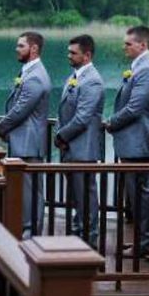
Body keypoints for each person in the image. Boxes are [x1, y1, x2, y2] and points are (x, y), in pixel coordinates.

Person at [104, 25, 149, 257]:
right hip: (133, 142)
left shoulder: (147, 69)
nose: (124, 47)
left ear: (143, 45)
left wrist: (112, 122)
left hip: (138, 143)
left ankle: (147, 244)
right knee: (137, 195)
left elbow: (135, 107)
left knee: (141, 196)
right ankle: (143, 241)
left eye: (128, 44)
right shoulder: (139, 67)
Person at [0, 31, 51, 238]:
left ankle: (31, 232)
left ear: (34, 48)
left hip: (29, 142)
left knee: (32, 192)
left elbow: (21, 110)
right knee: (27, 191)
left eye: (21, 46)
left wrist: (1, 127)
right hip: (23, 140)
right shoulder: (27, 71)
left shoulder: (36, 75)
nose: (16, 49)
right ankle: (25, 228)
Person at [54, 35, 105, 247]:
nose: (69, 56)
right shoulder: (74, 76)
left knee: (86, 197)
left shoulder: (92, 80)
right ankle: (78, 233)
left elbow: (83, 117)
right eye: (69, 52)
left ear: (87, 55)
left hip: (83, 149)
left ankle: (90, 238)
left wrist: (60, 136)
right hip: (70, 148)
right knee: (76, 196)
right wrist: (60, 132)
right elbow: (62, 112)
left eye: (73, 53)